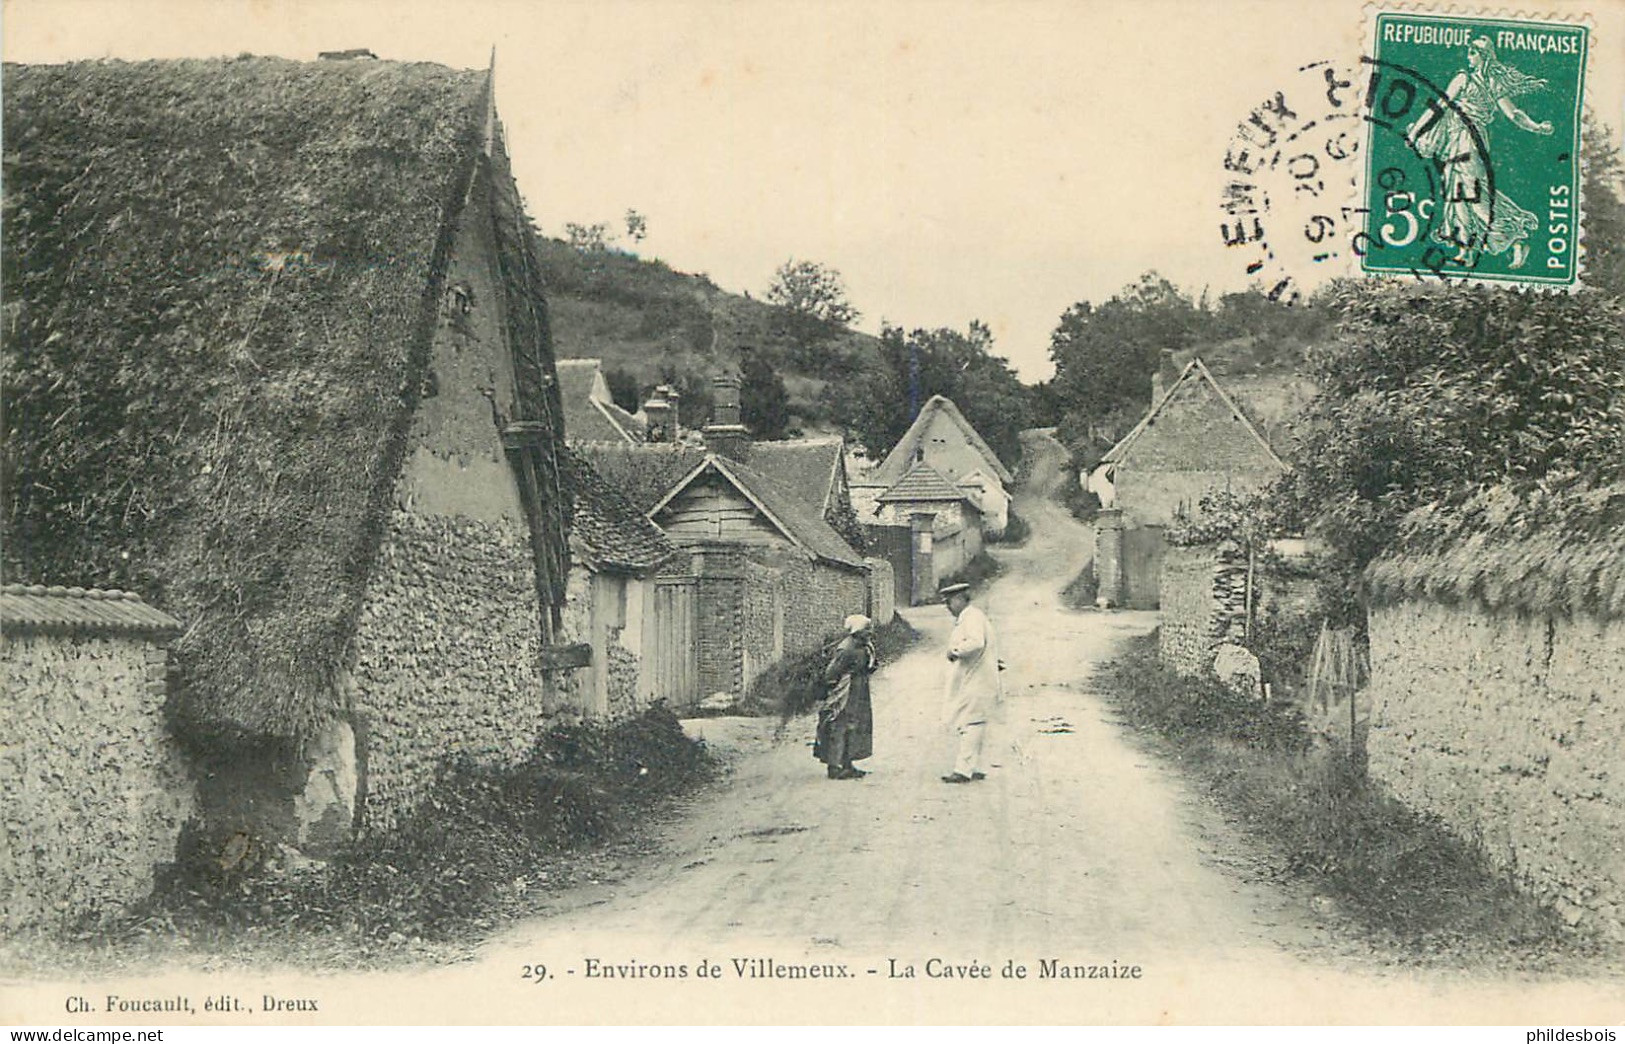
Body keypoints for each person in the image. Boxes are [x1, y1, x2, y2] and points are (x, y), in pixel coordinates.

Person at [1405, 36, 1552, 269]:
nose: (1468, 57)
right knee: (1457, 192)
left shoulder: (1469, 80)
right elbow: (1441, 106)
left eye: (1472, 53)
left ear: (1483, 56)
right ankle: (1466, 251)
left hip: (1469, 140)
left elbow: (1513, 113)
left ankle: (1515, 237)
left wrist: (1536, 127)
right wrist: (1536, 126)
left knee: (1472, 194)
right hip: (1459, 139)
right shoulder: (1486, 82)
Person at [939, 582, 1002, 784]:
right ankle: (973, 767)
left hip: (977, 680)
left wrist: (955, 651)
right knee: (975, 722)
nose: (947, 606)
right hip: (977, 678)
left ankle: (963, 770)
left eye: (949, 602)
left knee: (971, 723)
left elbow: (976, 642)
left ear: (959, 599)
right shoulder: (970, 617)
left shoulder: (971, 618)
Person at [815, 614, 878, 780]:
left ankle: (848, 764)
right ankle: (834, 767)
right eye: (866, 629)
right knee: (839, 724)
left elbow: (869, 663)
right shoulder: (846, 648)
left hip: (859, 690)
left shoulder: (865, 645)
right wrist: (832, 689)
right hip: (846, 690)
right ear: (857, 631)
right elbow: (832, 672)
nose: (870, 632)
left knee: (855, 725)